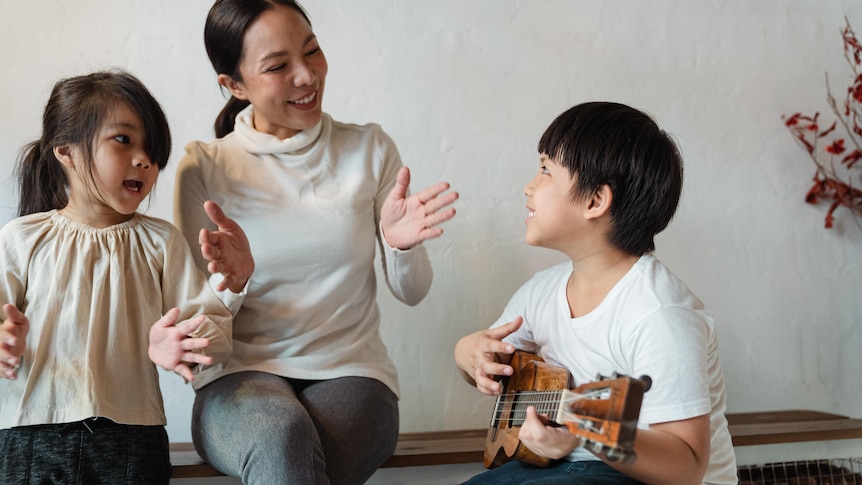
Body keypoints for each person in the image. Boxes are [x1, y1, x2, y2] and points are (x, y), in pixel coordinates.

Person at [172, 1, 459, 484]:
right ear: (234, 85)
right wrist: (233, 285)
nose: (307, 76)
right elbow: (193, 319)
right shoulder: (204, 168)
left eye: (312, 51)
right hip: (236, 378)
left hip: (354, 374)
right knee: (280, 437)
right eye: (279, 66)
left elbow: (412, 291)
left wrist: (399, 246)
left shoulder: (369, 149)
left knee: (294, 457)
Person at [454, 102, 737, 484]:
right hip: (566, 466)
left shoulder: (660, 314)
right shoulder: (541, 293)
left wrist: (581, 429)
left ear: (594, 201)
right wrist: (468, 354)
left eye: (545, 170)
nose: (529, 185)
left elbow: (686, 465)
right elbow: (492, 360)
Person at [0, 70, 234, 485]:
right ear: (66, 150)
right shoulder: (22, 238)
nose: (144, 159)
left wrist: (178, 342)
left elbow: (213, 326)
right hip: (29, 433)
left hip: (132, 439)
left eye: (153, 149)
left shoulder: (162, 241)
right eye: (123, 139)